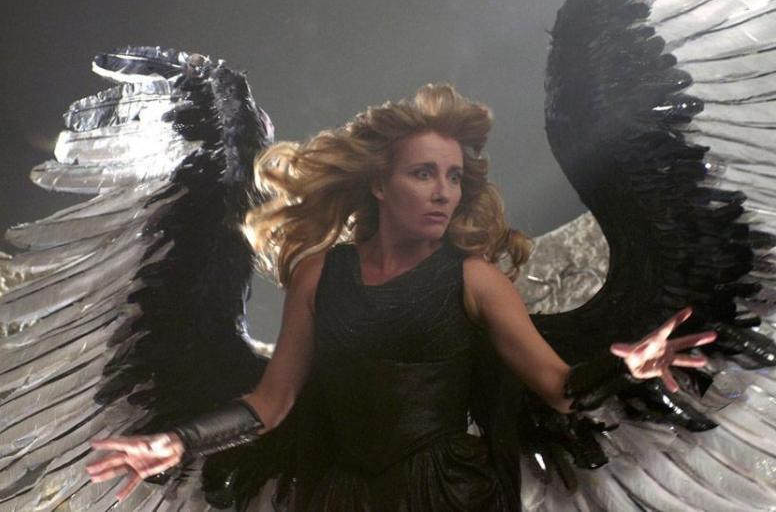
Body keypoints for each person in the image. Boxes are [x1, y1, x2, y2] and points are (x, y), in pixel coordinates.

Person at [86, 84, 717, 510]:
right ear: (380, 186)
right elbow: (272, 403)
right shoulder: (319, 274)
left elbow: (559, 388)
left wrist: (624, 367)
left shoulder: (475, 280)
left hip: (447, 493)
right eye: (423, 173)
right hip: (337, 497)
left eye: (453, 177)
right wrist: (178, 441)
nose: (443, 191)